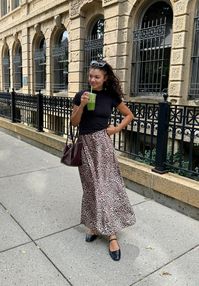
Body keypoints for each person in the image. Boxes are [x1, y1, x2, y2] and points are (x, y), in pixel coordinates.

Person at [70, 60, 136, 261]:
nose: (92, 79)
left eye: (97, 77)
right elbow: (74, 123)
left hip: (102, 145)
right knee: (91, 187)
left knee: (105, 187)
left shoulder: (111, 96)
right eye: (90, 76)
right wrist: (81, 104)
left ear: (105, 78)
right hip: (85, 144)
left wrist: (115, 129)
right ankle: (95, 226)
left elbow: (128, 115)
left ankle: (112, 234)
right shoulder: (81, 94)